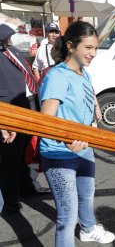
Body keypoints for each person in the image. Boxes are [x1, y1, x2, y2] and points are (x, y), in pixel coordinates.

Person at [39, 21, 114, 246]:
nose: (93, 54)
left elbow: (88, 91)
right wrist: (67, 139)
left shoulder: (83, 73)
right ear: (71, 46)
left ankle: (89, 229)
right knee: (67, 217)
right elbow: (45, 121)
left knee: (86, 197)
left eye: (95, 48)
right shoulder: (57, 76)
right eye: (88, 48)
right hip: (60, 154)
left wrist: (96, 105)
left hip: (84, 149)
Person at [0, 20, 40, 215]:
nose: (10, 38)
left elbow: (28, 74)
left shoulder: (12, 50)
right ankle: (10, 199)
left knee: (28, 150)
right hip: (10, 112)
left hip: (29, 104)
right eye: (7, 36)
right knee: (10, 157)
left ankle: (27, 186)